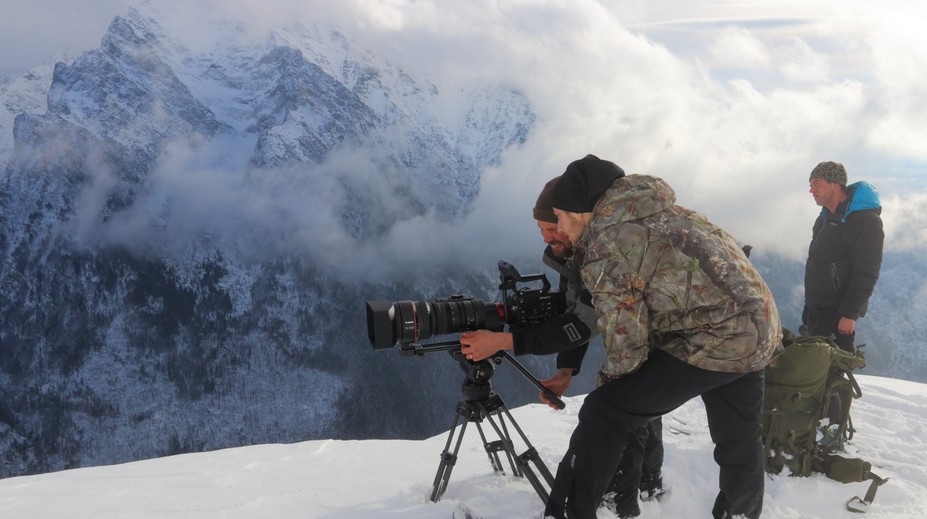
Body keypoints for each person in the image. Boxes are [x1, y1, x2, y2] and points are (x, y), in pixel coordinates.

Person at [542, 155, 782, 519]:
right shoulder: (668, 211)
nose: (557, 226)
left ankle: (566, 513)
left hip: (715, 337)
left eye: (558, 215)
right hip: (761, 330)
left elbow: (627, 341)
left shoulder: (609, 243)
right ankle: (741, 514)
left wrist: (611, 392)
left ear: (579, 211)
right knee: (739, 440)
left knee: (604, 410)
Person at [460, 166, 663, 517]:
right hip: (637, 331)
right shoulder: (573, 251)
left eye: (551, 227)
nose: (546, 237)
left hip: (656, 330)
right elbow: (576, 307)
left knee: (623, 406)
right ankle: (645, 483)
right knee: (632, 405)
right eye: (541, 229)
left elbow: (580, 323)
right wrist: (567, 368)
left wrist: (502, 342)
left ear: (575, 218)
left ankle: (624, 498)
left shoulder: (602, 251)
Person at [803, 161, 884, 353]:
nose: (811, 190)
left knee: (831, 373)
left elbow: (867, 272)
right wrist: (809, 306)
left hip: (838, 315)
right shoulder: (824, 218)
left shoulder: (864, 221)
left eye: (816, 183)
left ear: (835, 184)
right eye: (810, 184)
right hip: (816, 311)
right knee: (811, 375)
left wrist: (849, 314)